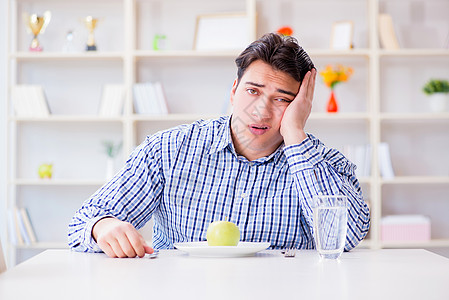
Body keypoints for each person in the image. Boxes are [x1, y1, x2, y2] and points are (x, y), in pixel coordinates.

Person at [68, 33, 370, 258]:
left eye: (282, 99)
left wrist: (294, 136)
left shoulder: (322, 163)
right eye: (253, 91)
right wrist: (103, 226)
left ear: (301, 106)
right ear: (234, 90)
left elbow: (348, 237)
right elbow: (82, 224)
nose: (261, 111)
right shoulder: (167, 150)